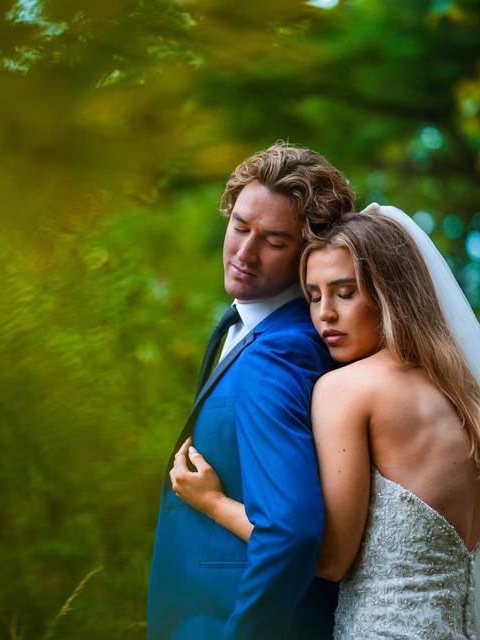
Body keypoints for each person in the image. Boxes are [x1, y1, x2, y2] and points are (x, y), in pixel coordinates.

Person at [173, 205, 480, 639]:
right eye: (314, 295)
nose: (325, 315)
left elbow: (330, 559)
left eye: (345, 292)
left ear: (388, 293)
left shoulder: (347, 391)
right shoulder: (464, 397)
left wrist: (214, 503)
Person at [146, 142, 356, 639]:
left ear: (310, 251)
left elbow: (291, 530)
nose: (243, 253)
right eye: (239, 226)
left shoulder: (283, 352)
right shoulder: (241, 325)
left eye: (273, 241)